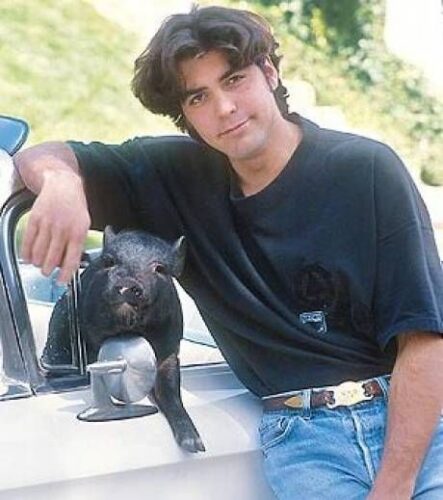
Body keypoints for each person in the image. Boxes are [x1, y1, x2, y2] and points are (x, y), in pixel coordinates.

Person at [13, 5, 443, 499]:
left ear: (269, 72)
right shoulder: (175, 177)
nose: (224, 108)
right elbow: (37, 156)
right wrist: (63, 184)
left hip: (417, 428)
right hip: (304, 442)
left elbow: (425, 337)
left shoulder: (365, 169)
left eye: (234, 79)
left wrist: (393, 486)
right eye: (198, 96)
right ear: (185, 115)